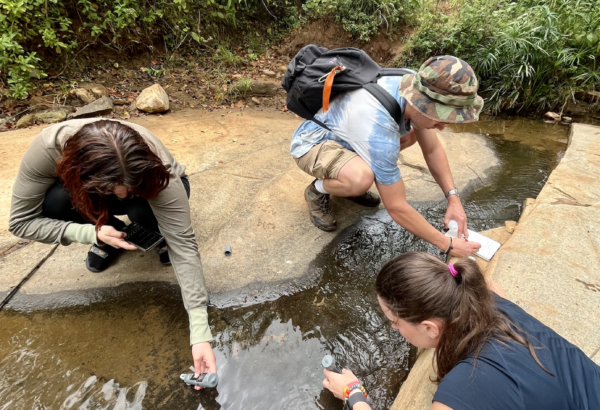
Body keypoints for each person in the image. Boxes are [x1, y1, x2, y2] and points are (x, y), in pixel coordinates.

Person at [9, 119, 215, 385]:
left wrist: (200, 333)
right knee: (55, 202)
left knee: (142, 211)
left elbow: (184, 244)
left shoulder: (153, 163)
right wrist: (91, 232)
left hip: (147, 189)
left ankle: (154, 230)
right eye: (117, 189)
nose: (123, 194)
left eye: (128, 188)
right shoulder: (48, 148)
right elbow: (20, 222)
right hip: (89, 190)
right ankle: (110, 234)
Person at [323, 252, 600, 410]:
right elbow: (488, 283)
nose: (394, 329)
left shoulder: (464, 387)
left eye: (394, 322)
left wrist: (354, 394)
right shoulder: (487, 300)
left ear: (430, 327)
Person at [291, 55, 485, 257]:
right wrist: (447, 244)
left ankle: (350, 170)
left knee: (413, 134)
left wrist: (453, 199)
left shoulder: (416, 81)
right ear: (420, 103)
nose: (443, 127)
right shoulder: (380, 131)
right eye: (440, 116)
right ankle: (317, 190)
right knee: (360, 179)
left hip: (353, 134)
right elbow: (396, 206)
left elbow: (432, 149)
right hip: (313, 144)